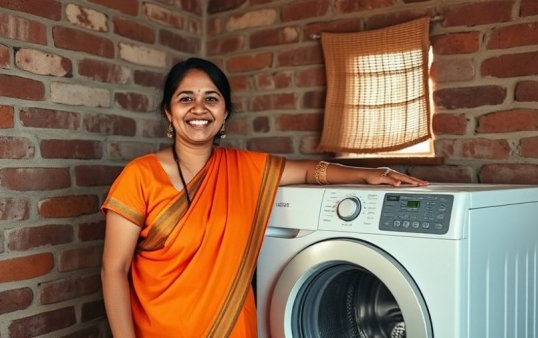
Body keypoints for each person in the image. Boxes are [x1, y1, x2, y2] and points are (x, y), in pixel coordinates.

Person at [100, 57, 428, 338]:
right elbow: (114, 269)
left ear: (225, 114)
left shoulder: (245, 168)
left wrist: (368, 173)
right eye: (185, 99)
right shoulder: (139, 176)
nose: (199, 108)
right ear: (168, 113)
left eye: (211, 99)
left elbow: (308, 171)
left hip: (233, 328)